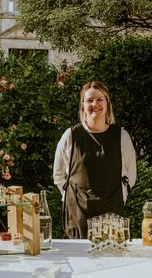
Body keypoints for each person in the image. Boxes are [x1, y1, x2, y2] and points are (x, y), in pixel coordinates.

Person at [53, 81, 137, 239]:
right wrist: (71, 197)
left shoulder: (121, 136)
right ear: (82, 105)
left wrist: (121, 195)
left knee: (112, 259)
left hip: (112, 213)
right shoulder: (71, 136)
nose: (95, 104)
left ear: (107, 104)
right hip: (78, 214)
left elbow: (130, 175)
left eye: (100, 99)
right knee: (80, 261)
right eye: (90, 100)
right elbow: (58, 175)